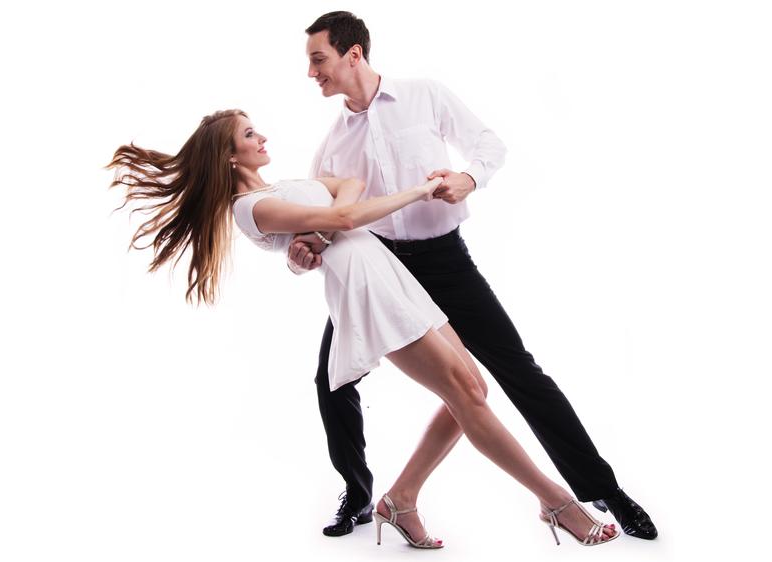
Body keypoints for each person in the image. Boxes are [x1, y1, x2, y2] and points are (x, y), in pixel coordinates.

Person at [107, 109, 618, 548]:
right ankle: (555, 502)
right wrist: (414, 192)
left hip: (391, 275)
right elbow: (349, 215)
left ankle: (401, 500)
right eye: (249, 135)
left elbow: (348, 187)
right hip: (367, 291)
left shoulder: (285, 188)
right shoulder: (250, 208)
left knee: (473, 389)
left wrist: (322, 228)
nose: (261, 137)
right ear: (228, 156)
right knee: (465, 393)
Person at [290, 11, 657, 540]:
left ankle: (605, 489)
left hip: (445, 260)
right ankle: (359, 494)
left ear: (354, 54)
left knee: (518, 370)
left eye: (318, 59)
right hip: (380, 269)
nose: (311, 73)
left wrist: (468, 177)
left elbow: (489, 145)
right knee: (332, 378)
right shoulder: (330, 146)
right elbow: (321, 227)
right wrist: (304, 254)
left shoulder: (424, 96)